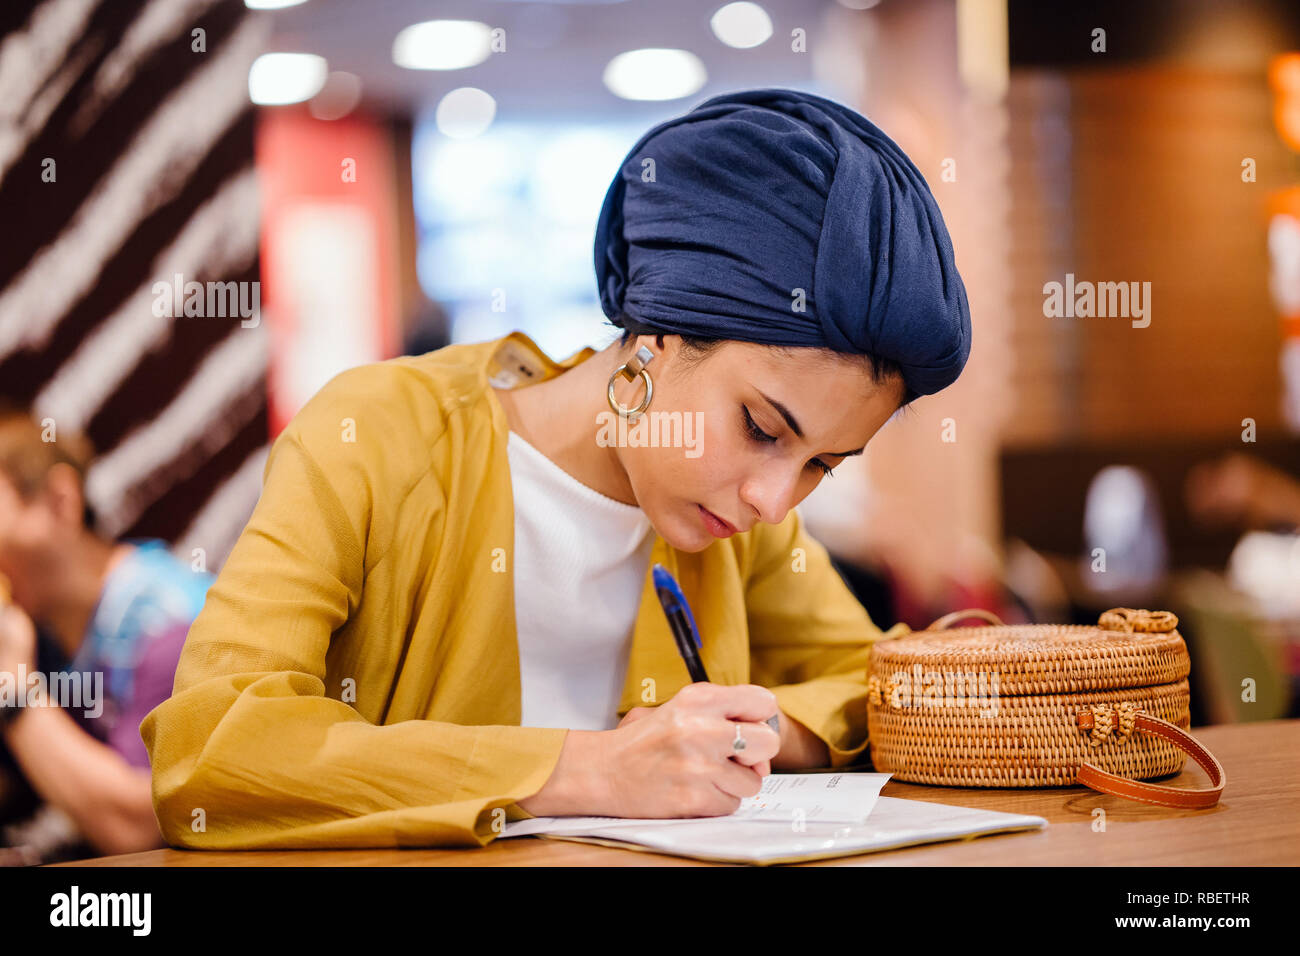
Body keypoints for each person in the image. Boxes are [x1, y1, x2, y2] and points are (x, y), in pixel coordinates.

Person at [142, 87, 972, 850]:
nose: (774, 501)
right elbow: (210, 751)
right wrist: (591, 769)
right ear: (655, 336)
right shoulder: (378, 435)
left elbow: (882, 684)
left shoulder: (733, 518)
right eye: (760, 428)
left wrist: (755, 734)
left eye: (822, 464)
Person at [0, 406, 212, 862]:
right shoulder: (47, 638)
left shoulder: (168, 623)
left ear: (60, 501)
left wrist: (12, 688)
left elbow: (137, 826)